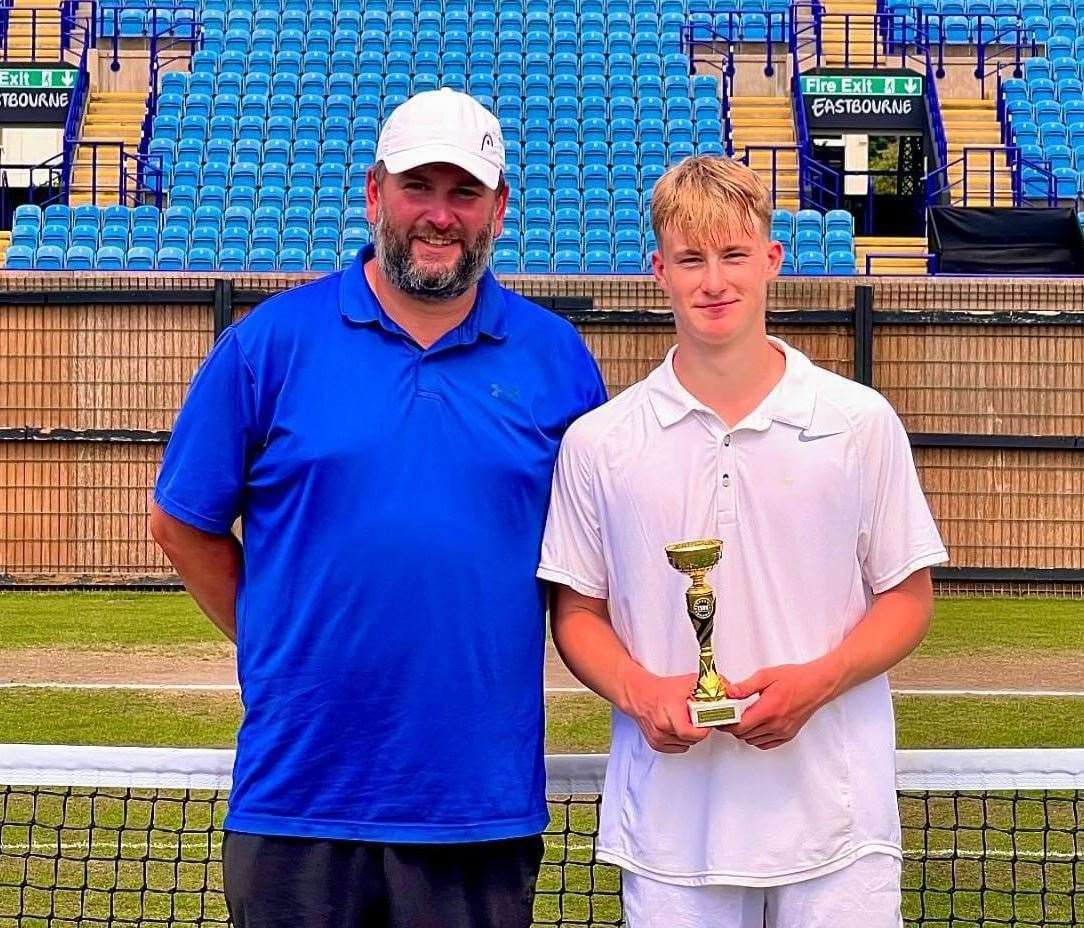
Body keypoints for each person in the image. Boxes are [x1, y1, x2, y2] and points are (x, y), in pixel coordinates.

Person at [149, 88, 607, 928]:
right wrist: (275, 638)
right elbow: (182, 523)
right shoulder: (269, 343)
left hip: (477, 803)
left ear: (499, 208)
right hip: (298, 796)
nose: (440, 215)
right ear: (374, 194)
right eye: (417, 188)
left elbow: (588, 559)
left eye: (464, 192)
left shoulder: (558, 359)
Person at [537, 156, 948, 928]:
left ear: (771, 260)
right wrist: (641, 692)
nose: (714, 281)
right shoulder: (600, 441)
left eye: (733, 255)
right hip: (670, 833)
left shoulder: (858, 421)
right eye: (691, 259)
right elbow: (577, 612)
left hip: (839, 830)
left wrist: (819, 681)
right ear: (659, 270)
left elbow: (908, 598)